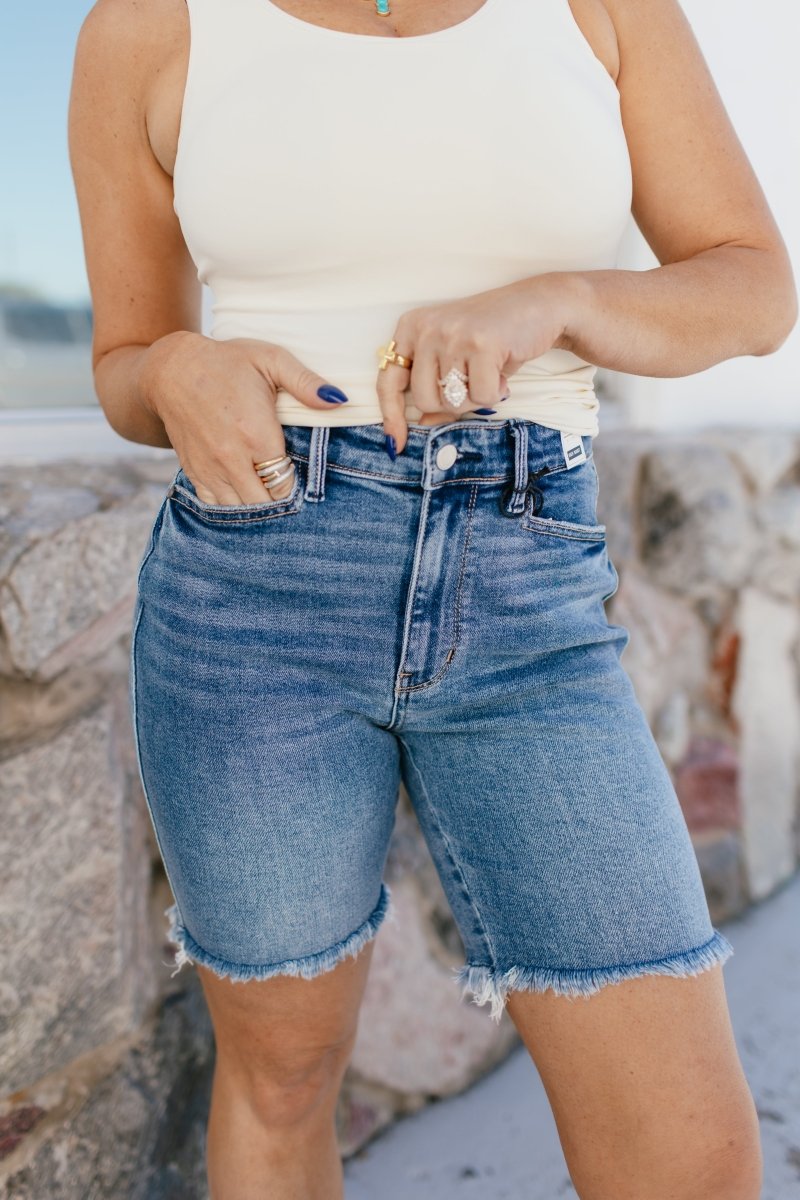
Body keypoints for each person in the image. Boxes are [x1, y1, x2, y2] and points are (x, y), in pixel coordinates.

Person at [68, 1, 795, 1196]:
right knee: (285, 1075)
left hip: (524, 583)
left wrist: (558, 301)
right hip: (254, 588)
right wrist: (171, 368)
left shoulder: (603, 11)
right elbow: (126, 358)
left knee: (690, 1159)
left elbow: (751, 285)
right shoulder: (145, 28)